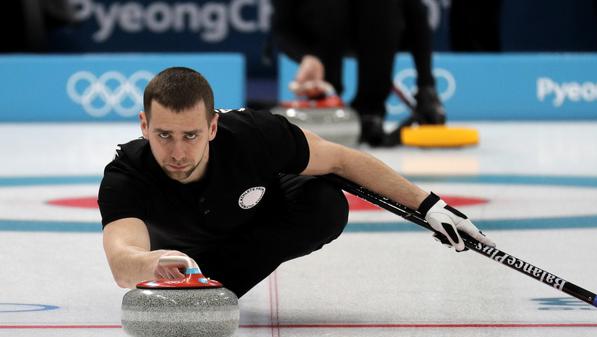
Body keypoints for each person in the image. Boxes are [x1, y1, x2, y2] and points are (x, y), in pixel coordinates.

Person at [98, 67, 494, 298]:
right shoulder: (126, 176)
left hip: (255, 223)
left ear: (213, 126)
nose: (178, 152)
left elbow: (341, 159)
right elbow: (123, 261)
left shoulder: (254, 134)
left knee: (325, 202)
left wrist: (429, 206)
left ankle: (219, 285)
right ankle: (204, 278)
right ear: (144, 125)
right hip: (183, 253)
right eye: (164, 135)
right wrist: (154, 263)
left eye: (191, 136)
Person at [271, 0, 446, 147]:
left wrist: (426, 86)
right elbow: (282, 27)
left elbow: (417, 16)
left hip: (375, 24)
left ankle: (370, 112)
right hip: (320, 30)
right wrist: (307, 57)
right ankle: (327, 101)